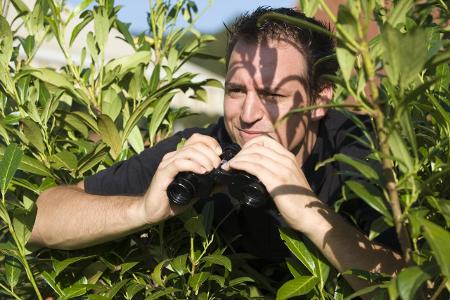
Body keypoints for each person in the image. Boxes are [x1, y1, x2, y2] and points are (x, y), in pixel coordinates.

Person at [29, 7, 404, 291]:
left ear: (320, 99)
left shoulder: (361, 152)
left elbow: (412, 288)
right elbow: (40, 218)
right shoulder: (207, 148)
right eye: (236, 91)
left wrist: (310, 214)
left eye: (272, 95)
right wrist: (143, 208)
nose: (248, 114)